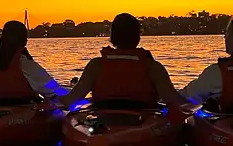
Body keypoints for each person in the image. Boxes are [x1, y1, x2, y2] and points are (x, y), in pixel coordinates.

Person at [58, 13, 187, 110]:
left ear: (113, 37)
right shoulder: (153, 67)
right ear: (137, 37)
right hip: (143, 122)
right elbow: (172, 100)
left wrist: (53, 102)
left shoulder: (96, 65)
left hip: (103, 121)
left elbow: (72, 99)